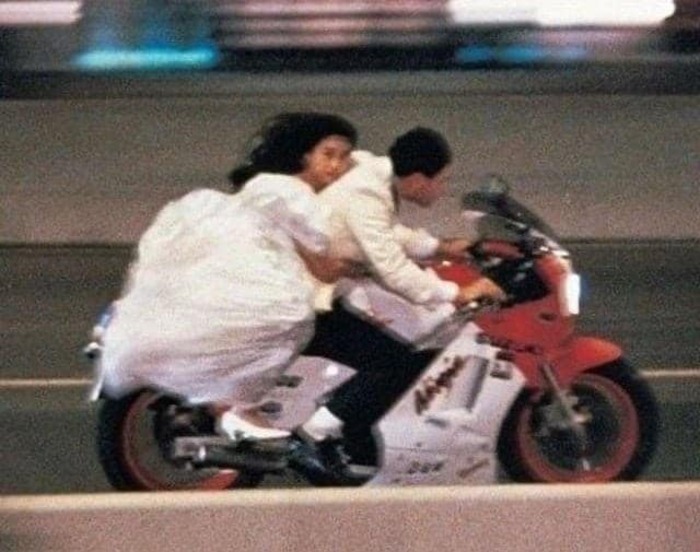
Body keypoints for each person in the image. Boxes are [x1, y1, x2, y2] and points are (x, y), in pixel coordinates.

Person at [100, 112, 358, 441]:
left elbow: (311, 256)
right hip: (256, 280)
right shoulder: (293, 192)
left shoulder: (269, 186)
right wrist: (373, 266)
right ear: (303, 154)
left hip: (229, 272)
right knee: (292, 324)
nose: (336, 166)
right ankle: (241, 409)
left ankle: (236, 408)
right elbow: (323, 261)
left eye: (344, 157)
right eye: (328, 154)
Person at [295, 127, 505, 477]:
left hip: (327, 286)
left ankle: (357, 441)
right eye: (442, 180)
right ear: (420, 180)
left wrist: (442, 248)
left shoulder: (375, 179)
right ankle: (316, 432)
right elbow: (391, 267)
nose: (443, 188)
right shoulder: (366, 193)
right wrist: (458, 293)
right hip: (308, 298)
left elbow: (387, 233)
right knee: (394, 360)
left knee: (405, 338)